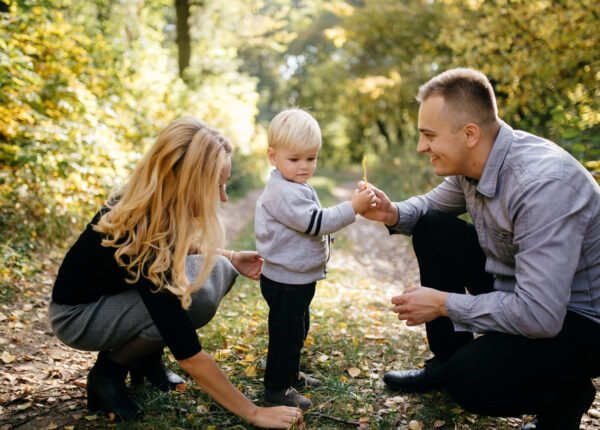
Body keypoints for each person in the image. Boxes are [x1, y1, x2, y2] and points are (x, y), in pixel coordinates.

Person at [359, 68, 600, 429]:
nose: (421, 147)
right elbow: (428, 209)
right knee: (431, 227)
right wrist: (390, 212)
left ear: (469, 133)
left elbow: (540, 315)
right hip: (523, 292)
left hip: (577, 320)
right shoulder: (474, 163)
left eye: (428, 136)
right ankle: (447, 360)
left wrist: (443, 304)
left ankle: (566, 396)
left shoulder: (542, 185)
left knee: (472, 381)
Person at [49, 117, 303, 428]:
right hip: (78, 317)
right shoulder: (137, 227)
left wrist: (231, 256)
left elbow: (178, 247)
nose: (223, 198)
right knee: (192, 299)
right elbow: (187, 350)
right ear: (187, 182)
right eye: (217, 186)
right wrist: (254, 412)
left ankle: (145, 360)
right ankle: (108, 373)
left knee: (217, 269)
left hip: (113, 298)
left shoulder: (158, 203)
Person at [255, 108, 376, 410]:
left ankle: (290, 374)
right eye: (294, 159)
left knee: (297, 330)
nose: (304, 167)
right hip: (286, 282)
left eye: (311, 159)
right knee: (285, 335)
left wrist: (352, 205)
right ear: (273, 156)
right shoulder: (283, 192)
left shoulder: (294, 185)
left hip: (296, 278)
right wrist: (353, 207)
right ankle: (276, 389)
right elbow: (317, 223)